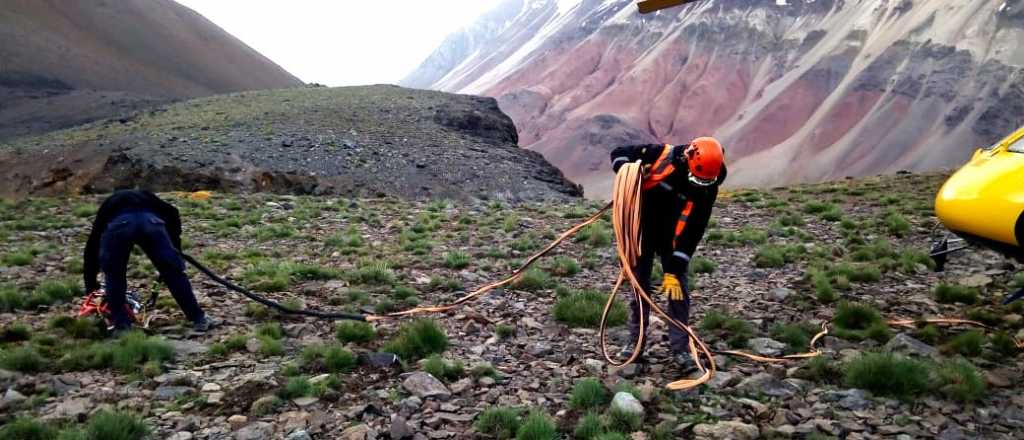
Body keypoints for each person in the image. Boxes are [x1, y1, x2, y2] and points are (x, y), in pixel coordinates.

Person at [610, 137, 726, 366]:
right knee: (639, 290)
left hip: (671, 241)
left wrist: (676, 267)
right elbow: (619, 152)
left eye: (703, 181)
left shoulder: (708, 184)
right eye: (696, 178)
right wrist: (627, 169)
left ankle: (680, 349)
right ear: (688, 157)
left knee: (678, 292)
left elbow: (694, 227)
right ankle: (635, 344)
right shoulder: (658, 155)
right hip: (639, 232)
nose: (698, 184)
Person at [83, 189, 214, 334]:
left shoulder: (110, 203)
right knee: (173, 273)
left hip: (120, 225)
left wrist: (90, 284)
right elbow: (173, 213)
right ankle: (198, 318)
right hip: (152, 223)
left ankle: (122, 326)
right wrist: (174, 249)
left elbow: (93, 244)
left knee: (115, 275)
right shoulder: (146, 196)